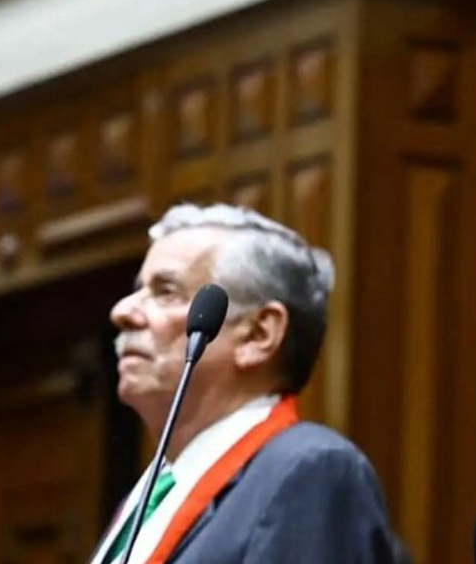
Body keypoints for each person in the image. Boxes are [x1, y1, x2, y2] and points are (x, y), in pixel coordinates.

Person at [91, 203, 406, 564]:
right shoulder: (152, 494)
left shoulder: (309, 473)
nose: (123, 311)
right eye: (139, 289)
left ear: (259, 334)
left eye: (166, 291)